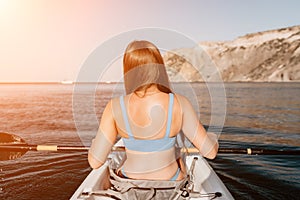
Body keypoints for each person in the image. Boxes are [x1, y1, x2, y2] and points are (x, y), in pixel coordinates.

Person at [88, 40, 218, 181]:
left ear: (128, 70)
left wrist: (95, 143)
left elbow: (95, 162)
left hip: (129, 182)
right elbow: (210, 153)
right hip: (170, 183)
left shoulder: (114, 106)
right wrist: (212, 138)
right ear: (158, 67)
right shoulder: (180, 103)